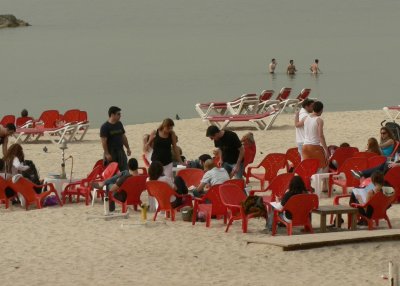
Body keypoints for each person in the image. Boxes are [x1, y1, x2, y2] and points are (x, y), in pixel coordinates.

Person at [100, 106, 131, 171]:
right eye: (118, 114)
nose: (120, 116)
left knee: (125, 170)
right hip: (111, 152)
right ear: (112, 115)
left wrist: (128, 148)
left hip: (120, 150)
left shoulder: (119, 124)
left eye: (120, 114)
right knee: (112, 172)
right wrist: (107, 153)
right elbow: (103, 141)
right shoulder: (105, 127)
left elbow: (123, 137)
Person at [302, 101, 329, 172]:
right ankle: (324, 183)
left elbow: (298, 125)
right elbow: (321, 136)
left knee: (309, 169)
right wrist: (326, 149)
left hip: (305, 147)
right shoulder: (319, 120)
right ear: (321, 110)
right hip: (315, 147)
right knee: (325, 165)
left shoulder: (305, 118)